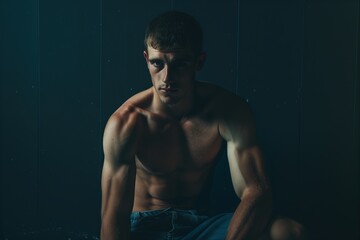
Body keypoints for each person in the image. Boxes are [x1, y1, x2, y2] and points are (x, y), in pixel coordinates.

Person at [100, 11, 306, 240]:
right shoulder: (127, 122)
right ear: (146, 59)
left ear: (199, 62)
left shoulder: (227, 112)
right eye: (158, 63)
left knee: (288, 233)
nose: (167, 78)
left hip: (198, 227)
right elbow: (114, 215)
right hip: (144, 230)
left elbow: (256, 191)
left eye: (180, 64)